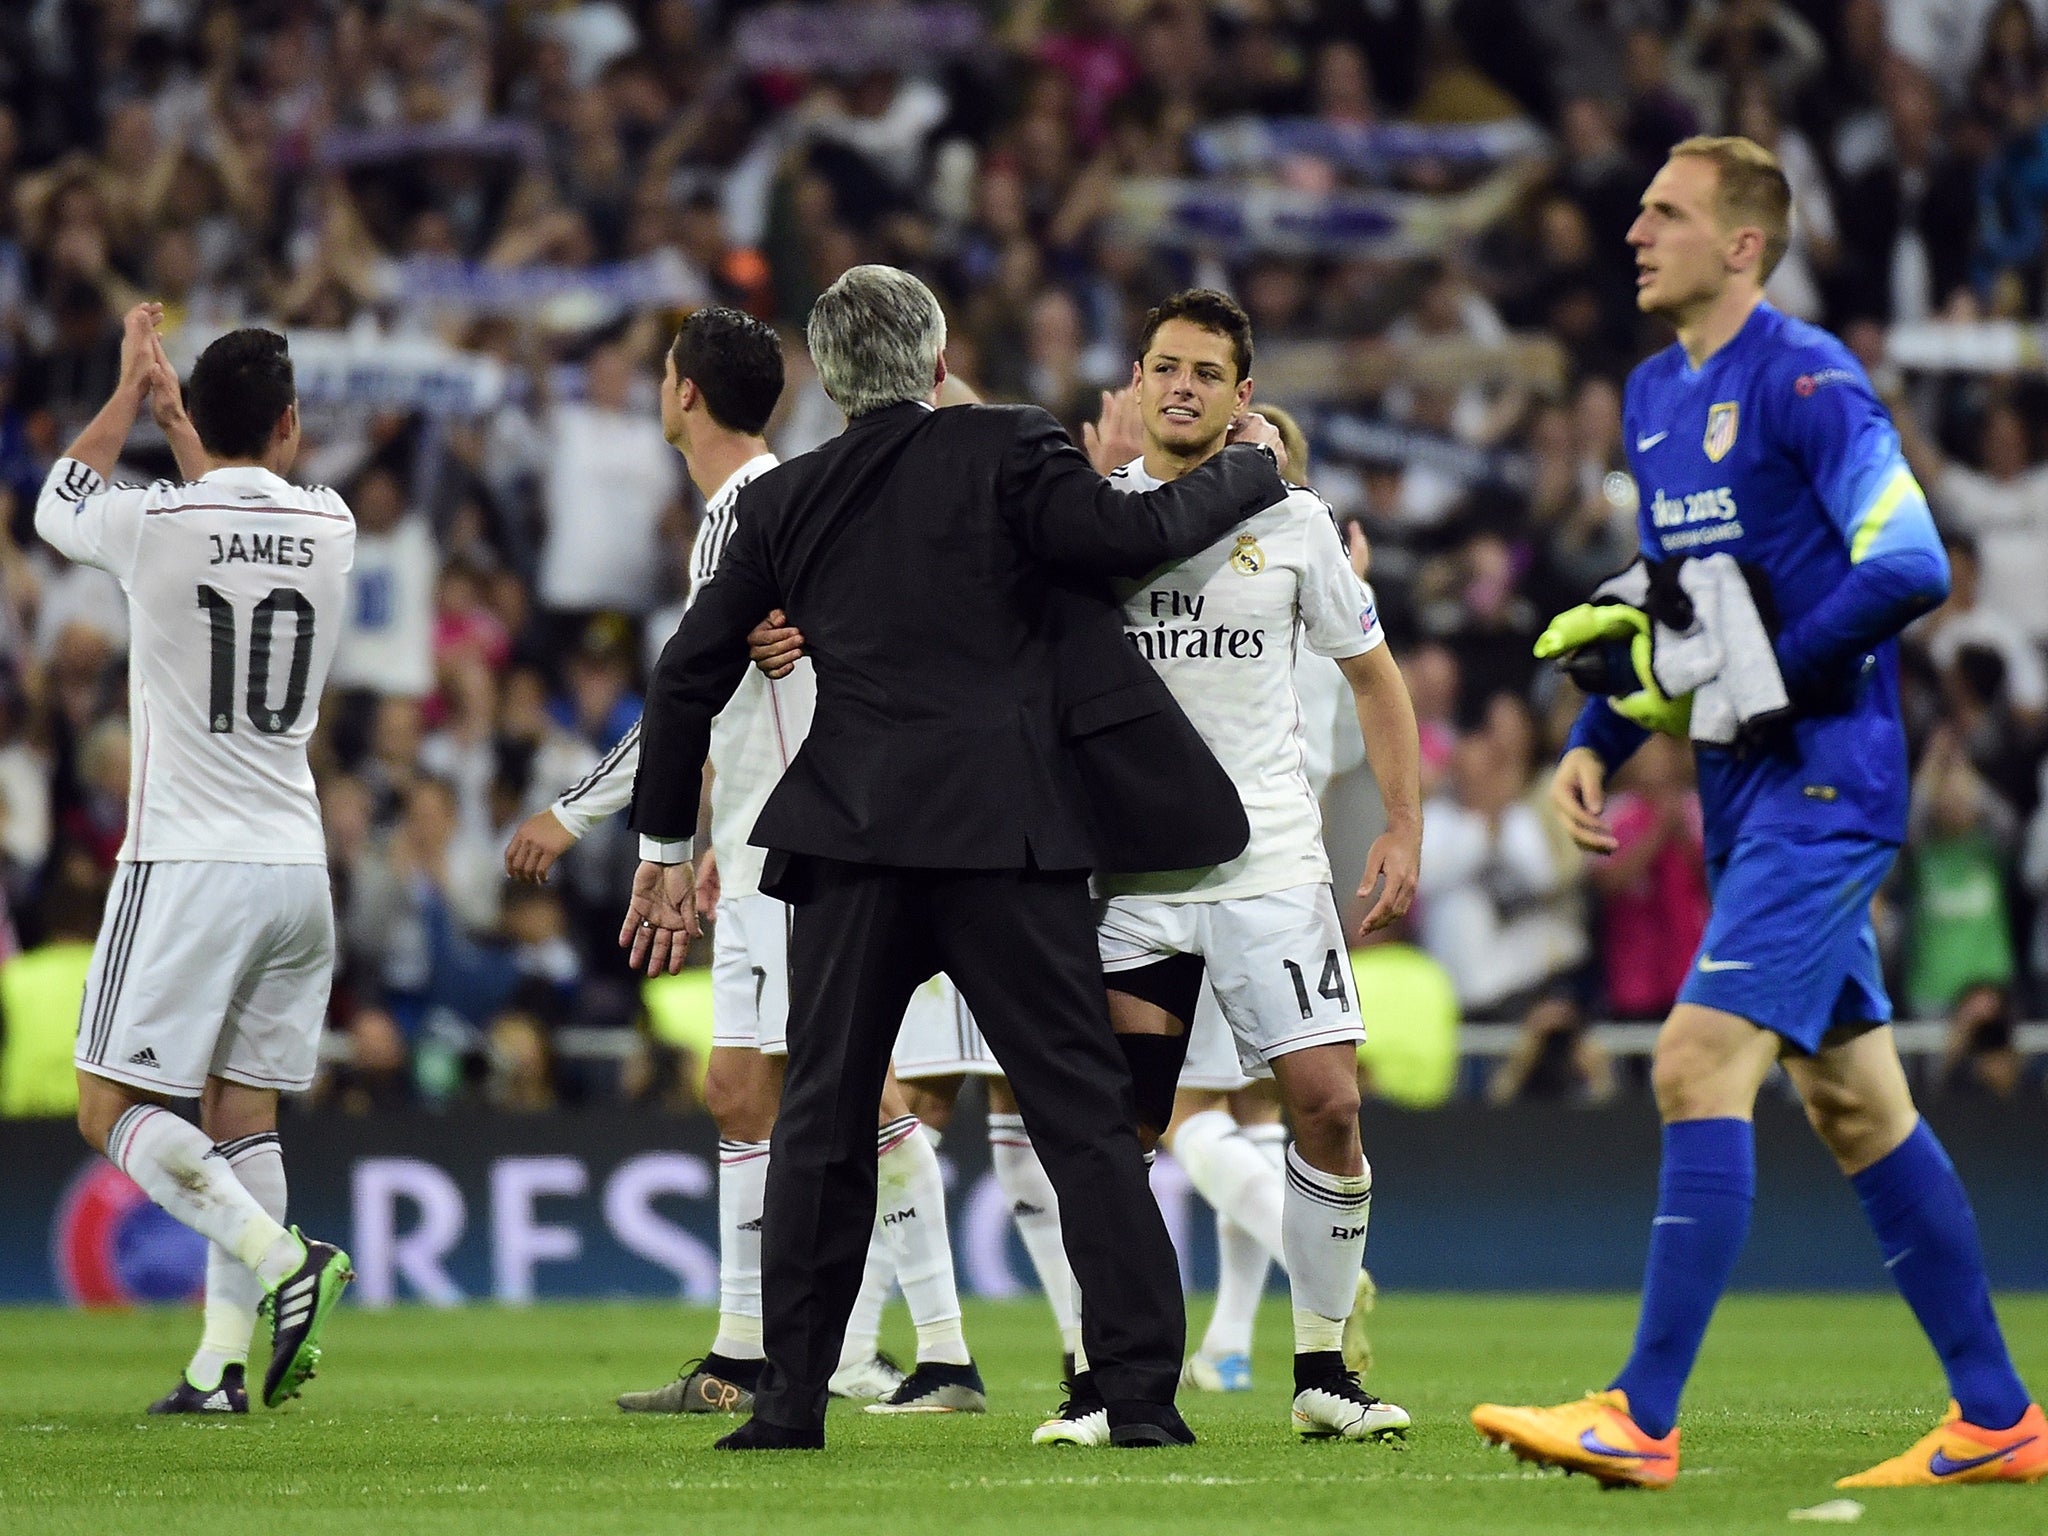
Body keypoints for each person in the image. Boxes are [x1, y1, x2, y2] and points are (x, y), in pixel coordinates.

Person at [626, 264, 1289, 1451]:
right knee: (1082, 1117)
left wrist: (667, 843)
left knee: (820, 1127)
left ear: (828, 381)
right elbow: (1134, 532)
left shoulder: (790, 500)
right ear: (937, 361)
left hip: (851, 840)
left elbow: (686, 674)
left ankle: (787, 1406)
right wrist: (1250, 467)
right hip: (1004, 837)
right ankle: (1136, 1396)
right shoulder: (1009, 448)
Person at [1471, 135, 2045, 1491]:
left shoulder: (1807, 378)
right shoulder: (1654, 396)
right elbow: (1681, 607)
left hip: (1827, 786)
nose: (1631, 231)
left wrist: (1780, 677)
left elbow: (1906, 561)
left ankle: (1643, 1415)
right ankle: (2000, 1418)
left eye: (1664, 214)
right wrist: (1601, 738)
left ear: (1743, 244)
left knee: (1692, 1060)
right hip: (1745, 799)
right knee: (1855, 1105)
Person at [506, 305, 985, 1416]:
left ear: (683, 394)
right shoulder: (772, 502)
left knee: (832, 1094)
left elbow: (687, 689)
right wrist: (711, 822)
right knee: (756, 1091)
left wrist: (578, 815)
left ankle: (893, 1355)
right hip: (766, 839)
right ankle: (760, 1356)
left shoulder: (751, 511)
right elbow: (734, 693)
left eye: (664, 373)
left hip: (796, 852)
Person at [1034, 290, 1422, 1447]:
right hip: (1135, 885)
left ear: (1240, 396)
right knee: (1118, 1132)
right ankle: (1103, 1378)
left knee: (1328, 1106)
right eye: (1164, 367)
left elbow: (1374, 679)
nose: (1182, 386)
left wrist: (1398, 825)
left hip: (1268, 870)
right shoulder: (1091, 521)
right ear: (1138, 383)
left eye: (1206, 371)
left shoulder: (1295, 521)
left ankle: (1320, 1374)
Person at [36, 307, 355, 1414]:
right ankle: (220, 1367)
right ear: (288, 424)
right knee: (240, 1109)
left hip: (187, 858)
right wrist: (191, 428)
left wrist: (132, 393)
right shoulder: (332, 521)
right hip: (296, 870)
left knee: (103, 1104)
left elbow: (59, 501)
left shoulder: (155, 525)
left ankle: (282, 1263)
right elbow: (240, 521)